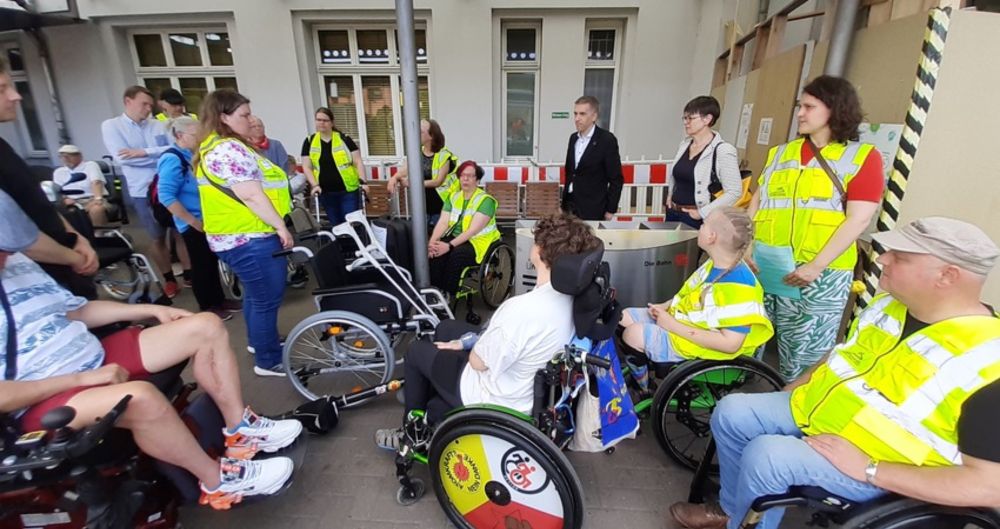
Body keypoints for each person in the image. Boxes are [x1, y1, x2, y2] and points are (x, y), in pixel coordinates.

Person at [669, 217, 1000, 529]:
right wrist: (797, 385)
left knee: (767, 455)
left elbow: (987, 488)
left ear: (947, 276)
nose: (883, 259)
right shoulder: (890, 306)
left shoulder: (986, 361)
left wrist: (871, 469)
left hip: (888, 469)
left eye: (900, 257)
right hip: (826, 415)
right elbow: (842, 354)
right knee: (732, 411)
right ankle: (732, 512)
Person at [0, 202, 303, 511]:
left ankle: (239, 431)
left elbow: (76, 310)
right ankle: (217, 482)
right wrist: (82, 379)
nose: (9, 254)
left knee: (205, 326)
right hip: (41, 398)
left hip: (90, 354)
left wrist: (152, 309)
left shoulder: (18, 262)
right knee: (140, 397)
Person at [375, 212, 603, 449]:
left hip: (493, 396)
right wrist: (464, 342)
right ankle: (433, 401)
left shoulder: (520, 309)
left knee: (416, 352)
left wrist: (466, 348)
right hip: (527, 382)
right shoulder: (571, 297)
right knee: (445, 328)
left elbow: (478, 363)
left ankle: (411, 434)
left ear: (540, 251)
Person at [746, 75, 884, 381]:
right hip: (766, 266)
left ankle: (798, 418)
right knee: (748, 339)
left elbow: (858, 219)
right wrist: (747, 246)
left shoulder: (861, 158)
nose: (800, 113)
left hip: (819, 276)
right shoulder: (781, 153)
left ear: (834, 110)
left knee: (804, 357)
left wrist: (816, 266)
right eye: (800, 105)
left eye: (809, 106)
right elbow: (757, 202)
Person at [618, 207, 773, 394]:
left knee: (633, 334)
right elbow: (689, 294)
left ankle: (645, 388)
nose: (700, 227)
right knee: (623, 317)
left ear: (711, 237)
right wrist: (665, 306)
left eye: (704, 225)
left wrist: (671, 325)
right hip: (685, 323)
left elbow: (730, 344)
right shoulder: (715, 264)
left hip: (702, 344)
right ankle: (645, 367)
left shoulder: (739, 287)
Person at [194, 89, 294, 377]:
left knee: (255, 293)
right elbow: (251, 195)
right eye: (244, 115)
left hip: (238, 235)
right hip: (248, 237)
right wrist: (280, 225)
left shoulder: (217, 146)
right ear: (223, 117)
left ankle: (260, 343)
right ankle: (268, 359)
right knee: (267, 297)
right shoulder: (227, 150)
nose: (250, 120)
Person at [0, 56, 98, 299]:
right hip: (38, 284)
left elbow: (38, 203)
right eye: (2, 89)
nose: (16, 96)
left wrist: (76, 238)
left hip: (63, 268)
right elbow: (19, 238)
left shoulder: (3, 147)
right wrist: (74, 258)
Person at [101, 85, 186, 298]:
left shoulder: (159, 125)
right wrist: (159, 157)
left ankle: (189, 272)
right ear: (128, 101)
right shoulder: (112, 126)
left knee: (180, 232)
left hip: (170, 185)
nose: (148, 109)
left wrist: (142, 153)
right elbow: (122, 159)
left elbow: (175, 149)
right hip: (142, 190)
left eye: (150, 104)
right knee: (157, 237)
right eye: (143, 104)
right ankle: (168, 278)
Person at [157, 116, 240, 320]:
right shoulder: (172, 158)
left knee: (211, 261)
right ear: (180, 135)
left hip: (206, 218)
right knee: (200, 265)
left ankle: (219, 299)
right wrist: (192, 222)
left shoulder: (190, 154)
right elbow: (166, 195)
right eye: (196, 135)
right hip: (192, 222)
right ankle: (207, 306)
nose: (200, 139)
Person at [666, 96, 743, 229]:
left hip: (696, 218)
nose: (686, 122)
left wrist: (701, 213)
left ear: (707, 119)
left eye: (690, 118)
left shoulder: (723, 150)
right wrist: (670, 196)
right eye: (684, 118)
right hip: (673, 212)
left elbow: (734, 191)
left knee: (689, 250)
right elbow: (677, 177)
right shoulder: (684, 145)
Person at [427, 160, 500, 297]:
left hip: (478, 242)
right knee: (436, 252)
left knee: (456, 256)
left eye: (470, 176)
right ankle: (435, 292)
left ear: (477, 180)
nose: (465, 179)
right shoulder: (453, 196)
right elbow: (443, 222)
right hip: (456, 237)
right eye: (462, 175)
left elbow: (472, 230)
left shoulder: (486, 201)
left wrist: (448, 246)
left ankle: (448, 294)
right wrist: (433, 241)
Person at [386, 118, 459, 227]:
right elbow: (405, 170)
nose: (416, 135)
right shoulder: (416, 152)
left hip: (442, 206)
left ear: (431, 136)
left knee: (437, 239)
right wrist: (394, 178)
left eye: (420, 132)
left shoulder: (444, 155)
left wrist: (412, 183)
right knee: (421, 238)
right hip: (421, 206)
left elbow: (438, 181)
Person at [300, 107, 365, 226]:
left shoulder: (343, 139)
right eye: (318, 120)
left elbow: (357, 161)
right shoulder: (309, 141)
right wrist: (314, 185)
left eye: (325, 120)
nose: (321, 123)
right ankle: (340, 244)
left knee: (351, 223)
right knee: (336, 224)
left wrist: (363, 182)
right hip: (325, 191)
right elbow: (307, 167)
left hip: (348, 190)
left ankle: (354, 244)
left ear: (331, 122)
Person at [562, 95, 623, 221]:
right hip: (570, 206)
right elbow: (570, 172)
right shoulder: (573, 138)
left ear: (594, 116)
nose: (577, 119)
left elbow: (616, 179)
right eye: (575, 114)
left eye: (582, 114)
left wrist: (610, 210)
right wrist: (564, 204)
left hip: (593, 208)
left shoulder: (606, 140)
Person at [52, 144, 114, 227]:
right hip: (72, 201)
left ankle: (99, 235)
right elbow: (57, 190)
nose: (65, 159)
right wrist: (65, 199)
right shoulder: (59, 172)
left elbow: (96, 182)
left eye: (69, 156)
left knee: (97, 209)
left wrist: (98, 198)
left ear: (79, 156)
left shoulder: (90, 165)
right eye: (62, 157)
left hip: (92, 198)